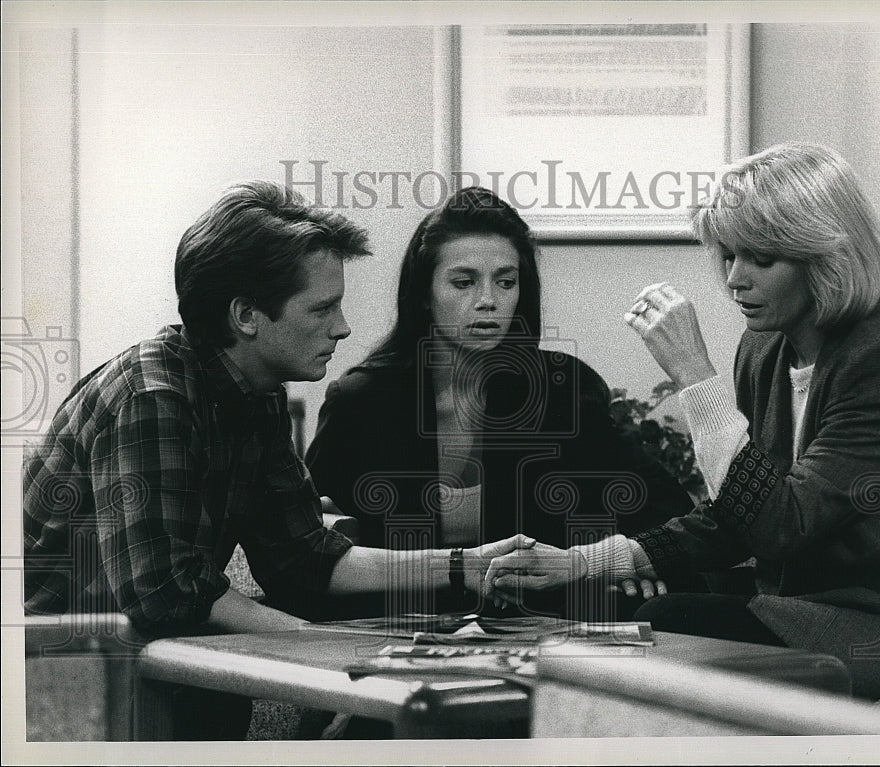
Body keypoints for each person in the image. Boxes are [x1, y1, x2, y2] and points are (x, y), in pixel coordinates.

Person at [21, 180, 535, 737]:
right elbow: (167, 595)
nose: (342, 327)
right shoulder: (153, 396)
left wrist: (463, 564)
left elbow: (305, 556)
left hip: (139, 660)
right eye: (322, 308)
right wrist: (328, 650)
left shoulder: (257, 391)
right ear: (247, 315)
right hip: (55, 675)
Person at [483, 143, 880, 699]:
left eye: (761, 259)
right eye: (728, 255)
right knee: (629, 612)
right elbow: (736, 516)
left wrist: (696, 376)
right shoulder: (765, 349)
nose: (735, 279)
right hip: (806, 608)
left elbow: (781, 528)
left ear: (825, 258)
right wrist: (580, 563)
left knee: (673, 617)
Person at [305, 186, 695, 619]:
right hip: (400, 624)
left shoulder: (560, 388)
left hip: (539, 625)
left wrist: (623, 565)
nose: (488, 300)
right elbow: (307, 543)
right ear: (423, 293)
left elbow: (663, 506)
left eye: (505, 282)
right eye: (464, 281)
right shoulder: (362, 401)